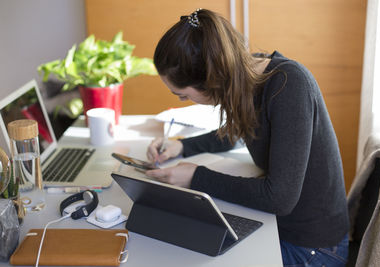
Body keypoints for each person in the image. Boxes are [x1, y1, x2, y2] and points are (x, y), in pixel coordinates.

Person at [145, 8, 349, 266]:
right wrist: (182, 147)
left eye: (183, 95)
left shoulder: (289, 85)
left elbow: (280, 198)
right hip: (280, 227)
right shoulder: (242, 78)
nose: (185, 101)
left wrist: (196, 177)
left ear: (210, 80)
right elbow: (239, 131)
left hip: (312, 246)